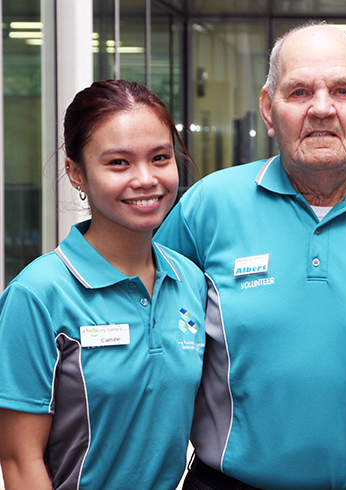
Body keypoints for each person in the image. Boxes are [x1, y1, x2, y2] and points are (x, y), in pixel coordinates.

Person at [155, 22, 346, 490]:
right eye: (299, 91)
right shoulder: (207, 208)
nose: (321, 108)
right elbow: (154, 351)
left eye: (342, 90)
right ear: (268, 107)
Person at [0, 80, 207, 490]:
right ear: (76, 172)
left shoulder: (191, 281)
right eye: (118, 163)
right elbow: (19, 459)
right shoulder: (38, 295)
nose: (146, 179)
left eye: (160, 157)